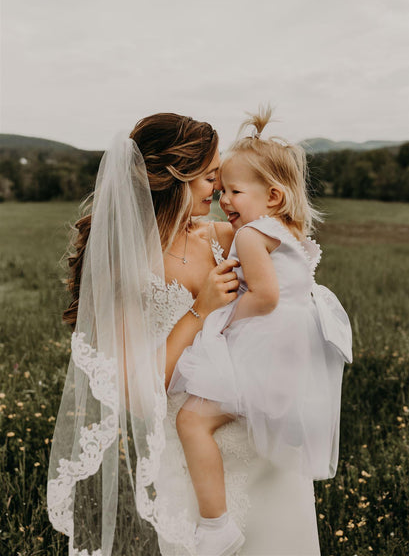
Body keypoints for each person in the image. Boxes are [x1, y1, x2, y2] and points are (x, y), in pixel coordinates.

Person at [47, 111, 324, 556]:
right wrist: (200, 309)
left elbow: (284, 253)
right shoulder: (128, 269)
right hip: (193, 459)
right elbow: (137, 392)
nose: (218, 188)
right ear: (177, 178)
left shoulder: (223, 236)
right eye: (210, 175)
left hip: (264, 438)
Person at [170, 107, 353, 555]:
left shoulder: (251, 235)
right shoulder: (286, 229)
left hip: (264, 348)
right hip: (292, 353)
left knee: (191, 419)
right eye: (221, 188)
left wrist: (222, 316)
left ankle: (216, 527)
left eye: (234, 190)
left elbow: (265, 297)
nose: (223, 200)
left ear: (272, 196)